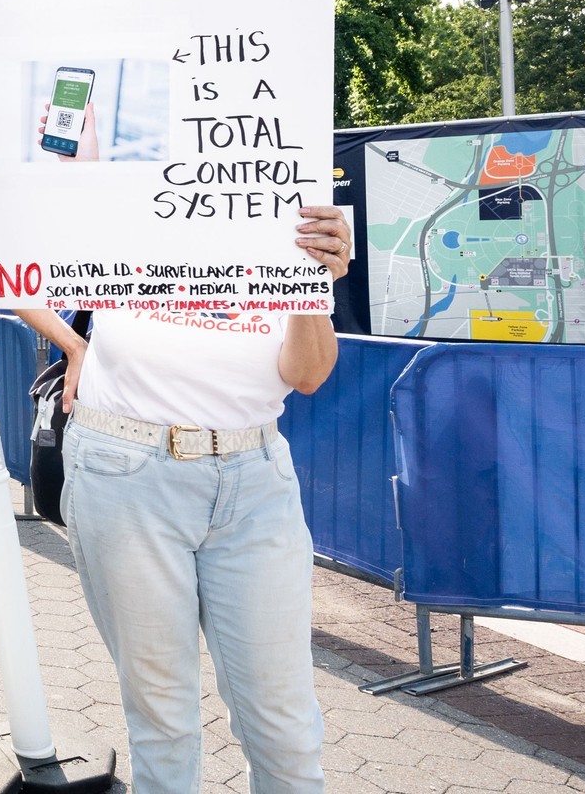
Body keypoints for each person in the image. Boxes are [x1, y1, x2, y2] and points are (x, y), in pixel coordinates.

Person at [18, 204, 352, 790]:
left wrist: (312, 284)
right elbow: (15, 267)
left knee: (283, 720)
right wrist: (75, 345)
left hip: (254, 476)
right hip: (126, 467)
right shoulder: (122, 193)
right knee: (161, 713)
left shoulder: (284, 213)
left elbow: (307, 374)